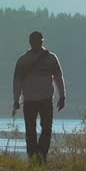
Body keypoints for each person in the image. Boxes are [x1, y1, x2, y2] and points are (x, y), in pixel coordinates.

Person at [12, 30, 66, 162]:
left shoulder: (51, 58)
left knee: (46, 129)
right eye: (34, 41)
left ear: (42, 41)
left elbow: (59, 77)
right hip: (30, 100)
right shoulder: (23, 60)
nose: (36, 44)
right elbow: (17, 82)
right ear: (30, 42)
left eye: (38, 41)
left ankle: (40, 156)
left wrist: (63, 95)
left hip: (46, 100)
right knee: (31, 130)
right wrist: (16, 99)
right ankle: (33, 157)